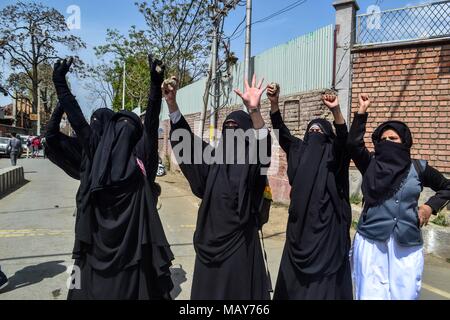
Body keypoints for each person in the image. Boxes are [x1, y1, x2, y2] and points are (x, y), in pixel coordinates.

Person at [53, 57, 174, 300]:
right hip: (129, 256)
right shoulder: (132, 156)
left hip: (115, 256)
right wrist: (154, 84)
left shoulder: (99, 152)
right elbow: (149, 124)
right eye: (123, 126)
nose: (125, 131)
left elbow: (78, 119)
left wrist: (60, 82)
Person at [166, 74, 272, 300]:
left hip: (240, 248)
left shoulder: (253, 164)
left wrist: (254, 111)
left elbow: (263, 148)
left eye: (237, 128)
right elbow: (187, 143)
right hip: (208, 246)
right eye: (227, 128)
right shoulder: (212, 159)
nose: (232, 132)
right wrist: (172, 104)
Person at [348, 94, 450, 300]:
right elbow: (353, 144)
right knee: (369, 292)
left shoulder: (419, 168)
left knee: (405, 293)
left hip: (407, 244)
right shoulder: (370, 164)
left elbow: (446, 187)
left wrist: (429, 208)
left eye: (393, 139)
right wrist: (362, 112)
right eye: (383, 140)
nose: (387, 142)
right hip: (371, 240)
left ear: (404, 142)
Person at [269, 86, 353, 300]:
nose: (315, 134)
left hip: (327, 229)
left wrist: (336, 112)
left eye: (320, 132)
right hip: (299, 227)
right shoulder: (298, 149)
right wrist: (274, 103)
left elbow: (344, 140)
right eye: (311, 131)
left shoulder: (335, 155)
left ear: (328, 137)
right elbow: (281, 131)